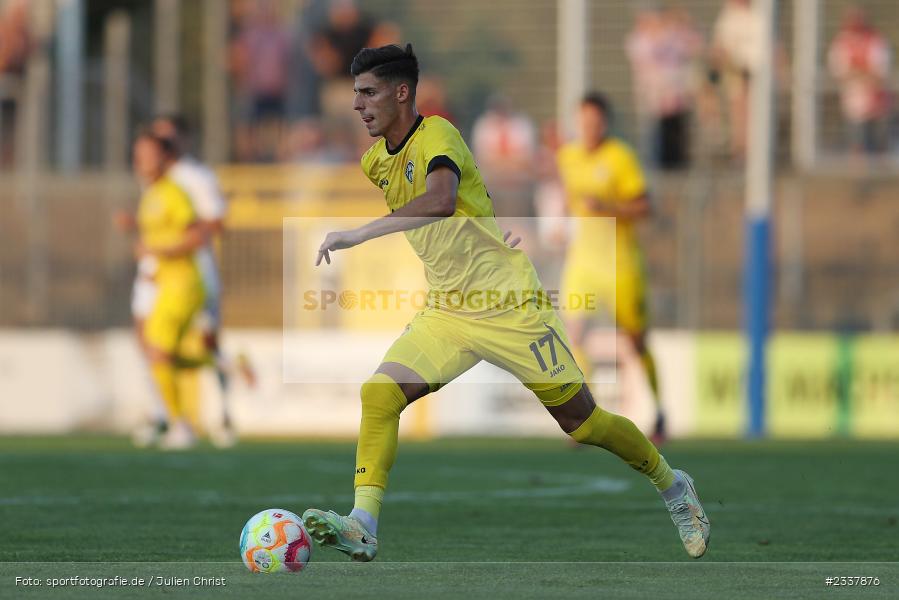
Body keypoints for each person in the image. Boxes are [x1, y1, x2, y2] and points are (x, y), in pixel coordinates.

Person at [301, 44, 709, 562]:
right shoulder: (373, 161)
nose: (357, 105)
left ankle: (673, 486)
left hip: (508, 304)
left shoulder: (439, 133)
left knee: (583, 424)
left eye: (368, 92)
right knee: (379, 395)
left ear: (402, 92)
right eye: (355, 94)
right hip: (448, 311)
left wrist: (361, 234)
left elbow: (445, 198)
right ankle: (363, 523)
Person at [556, 93, 667, 445]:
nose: (589, 128)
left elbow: (645, 207)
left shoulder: (620, 157)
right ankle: (586, 418)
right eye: (584, 121)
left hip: (620, 266)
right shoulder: (568, 156)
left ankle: (659, 411)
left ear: (605, 123)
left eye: (595, 122)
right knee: (574, 333)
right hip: (583, 263)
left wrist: (608, 206)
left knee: (636, 342)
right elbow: (566, 198)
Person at [151, 114, 256, 447]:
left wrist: (183, 240)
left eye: (167, 140)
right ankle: (166, 417)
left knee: (204, 341)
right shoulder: (155, 180)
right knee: (154, 342)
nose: (161, 148)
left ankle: (223, 416)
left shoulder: (194, 176)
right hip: (160, 271)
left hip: (194, 270)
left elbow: (215, 221)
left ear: (181, 142)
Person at [131, 131, 206, 449]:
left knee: (158, 351)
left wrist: (160, 254)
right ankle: (226, 364)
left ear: (163, 157)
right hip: (166, 284)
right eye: (138, 154)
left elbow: (196, 236)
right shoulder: (150, 194)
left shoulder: (173, 192)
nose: (142, 161)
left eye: (148, 154)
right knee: (162, 354)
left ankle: (178, 424)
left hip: (183, 283)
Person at [827, 7, 892, 155]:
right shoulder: (842, 42)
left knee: (880, 147)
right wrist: (862, 73)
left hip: (877, 102)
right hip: (853, 104)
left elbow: (880, 71)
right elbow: (839, 71)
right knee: (857, 145)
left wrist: (858, 73)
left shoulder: (876, 40)